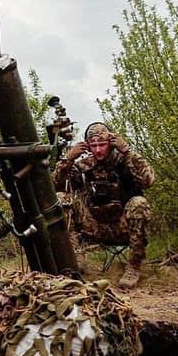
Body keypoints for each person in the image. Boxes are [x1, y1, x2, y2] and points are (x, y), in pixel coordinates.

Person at [52, 123, 155, 288]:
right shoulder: (84, 165)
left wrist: (127, 151)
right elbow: (53, 187)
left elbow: (148, 180)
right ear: (87, 145)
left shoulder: (124, 160)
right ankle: (74, 257)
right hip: (94, 225)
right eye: (93, 145)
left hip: (122, 227)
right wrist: (68, 160)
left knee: (139, 204)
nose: (98, 150)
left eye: (102, 144)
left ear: (111, 143)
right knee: (61, 198)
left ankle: (133, 267)